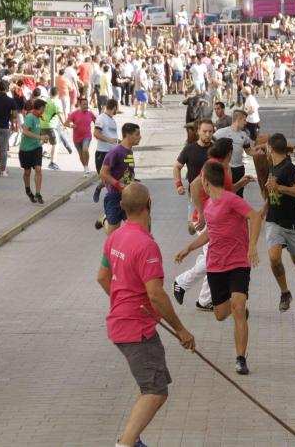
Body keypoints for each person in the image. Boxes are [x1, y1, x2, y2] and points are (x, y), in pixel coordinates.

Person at [97, 183, 195, 447]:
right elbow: (155, 294)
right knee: (155, 391)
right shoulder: (146, 245)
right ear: (149, 204)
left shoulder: (115, 236)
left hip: (126, 324)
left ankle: (132, 440)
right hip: (136, 329)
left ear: (122, 207)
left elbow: (102, 277)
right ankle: (126, 444)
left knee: (153, 385)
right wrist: (181, 329)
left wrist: (122, 300)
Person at [175, 160, 262, 375]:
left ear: (205, 181)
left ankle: (241, 358)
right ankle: (235, 304)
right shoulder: (208, 206)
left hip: (239, 262)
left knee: (239, 308)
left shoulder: (231, 200)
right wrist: (189, 248)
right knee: (221, 314)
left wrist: (252, 247)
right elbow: (209, 233)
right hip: (216, 266)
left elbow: (255, 216)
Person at [261, 133, 295, 315]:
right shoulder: (272, 167)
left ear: (270, 149)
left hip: (292, 224)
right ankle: (285, 293)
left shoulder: (290, 168)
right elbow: (272, 192)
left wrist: (280, 187)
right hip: (274, 221)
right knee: (274, 258)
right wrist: (263, 209)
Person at [100, 123, 142, 235]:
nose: (140, 137)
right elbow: (103, 173)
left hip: (128, 196)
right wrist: (118, 185)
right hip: (115, 196)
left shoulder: (129, 151)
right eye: (137, 134)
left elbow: (125, 171)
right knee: (113, 234)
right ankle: (105, 220)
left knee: (135, 228)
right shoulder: (115, 152)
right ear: (128, 135)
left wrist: (133, 180)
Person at [173, 119, 213, 231]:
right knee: (193, 229)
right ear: (198, 131)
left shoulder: (216, 149)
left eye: (210, 131)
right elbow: (177, 167)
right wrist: (179, 184)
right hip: (195, 194)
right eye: (205, 131)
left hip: (213, 195)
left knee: (210, 229)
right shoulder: (189, 149)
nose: (208, 134)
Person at [214, 110, 255, 196]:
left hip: (239, 169)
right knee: (225, 193)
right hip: (225, 168)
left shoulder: (244, 135)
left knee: (239, 195)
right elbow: (211, 147)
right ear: (238, 120)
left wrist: (258, 153)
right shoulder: (220, 133)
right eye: (244, 120)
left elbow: (248, 151)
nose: (246, 123)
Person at [18, 99, 48, 204]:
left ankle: (38, 193)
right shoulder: (30, 117)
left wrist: (43, 138)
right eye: (44, 108)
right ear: (40, 108)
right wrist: (39, 136)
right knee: (27, 172)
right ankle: (28, 189)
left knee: (38, 169)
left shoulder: (38, 118)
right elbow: (25, 131)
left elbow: (37, 132)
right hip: (26, 149)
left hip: (36, 148)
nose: (45, 110)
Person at [93, 99, 120, 203]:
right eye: (117, 108)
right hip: (102, 152)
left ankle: (111, 198)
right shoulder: (101, 118)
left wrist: (119, 142)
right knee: (105, 177)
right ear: (114, 108)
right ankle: (99, 189)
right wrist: (109, 140)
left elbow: (112, 136)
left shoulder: (112, 120)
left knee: (114, 176)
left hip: (113, 152)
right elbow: (96, 133)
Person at [65, 96, 97, 176]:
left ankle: (86, 166)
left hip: (87, 135)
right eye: (84, 104)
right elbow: (66, 123)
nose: (86, 106)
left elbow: (96, 121)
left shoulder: (90, 114)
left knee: (85, 150)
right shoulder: (74, 114)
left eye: (87, 104)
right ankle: (85, 167)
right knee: (81, 154)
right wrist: (72, 126)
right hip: (77, 138)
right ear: (80, 105)